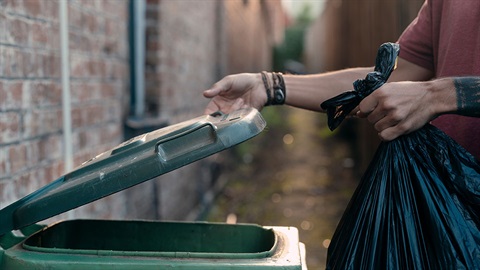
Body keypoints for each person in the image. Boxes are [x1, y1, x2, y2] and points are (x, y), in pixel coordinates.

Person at [203, 0, 480, 160]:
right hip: (451, 196)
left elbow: (432, 92)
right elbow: (388, 76)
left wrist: (441, 94)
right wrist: (268, 85)